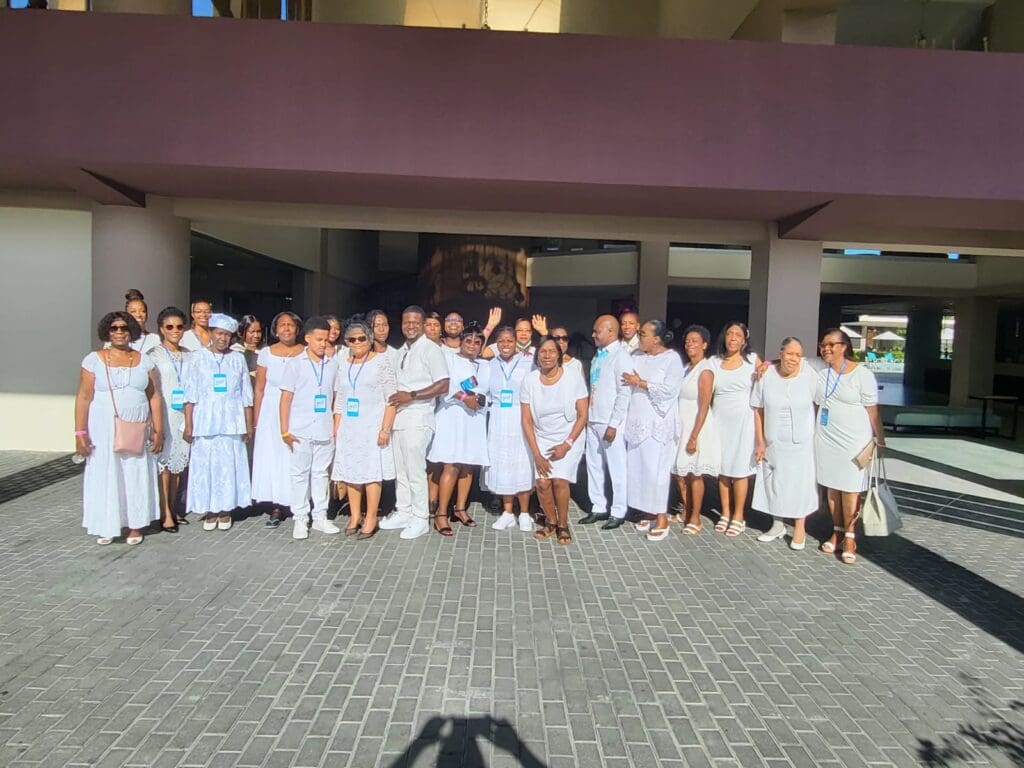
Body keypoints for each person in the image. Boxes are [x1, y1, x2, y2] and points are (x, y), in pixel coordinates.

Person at [75, 312, 163, 545]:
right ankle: (107, 524)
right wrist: (80, 434)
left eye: (124, 328)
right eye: (114, 328)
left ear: (132, 331)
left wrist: (158, 429)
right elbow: (83, 398)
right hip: (103, 427)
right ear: (107, 332)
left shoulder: (145, 361)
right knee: (106, 473)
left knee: (134, 473)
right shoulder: (93, 360)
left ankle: (135, 524)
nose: (119, 332)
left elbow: (154, 397)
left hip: (136, 427)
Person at [815, 328, 885, 565]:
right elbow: (793, 358)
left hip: (853, 442)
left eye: (831, 344)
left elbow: (873, 410)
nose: (826, 348)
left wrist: (880, 439)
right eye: (823, 344)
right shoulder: (821, 373)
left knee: (850, 489)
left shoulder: (861, 374)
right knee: (832, 489)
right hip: (827, 440)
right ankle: (836, 531)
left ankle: (851, 537)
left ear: (844, 346)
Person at [381, 306, 451, 539]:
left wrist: (411, 396)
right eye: (406, 322)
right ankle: (404, 511)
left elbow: (443, 384)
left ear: (422, 324)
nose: (410, 326)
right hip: (400, 417)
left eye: (415, 322)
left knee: (414, 469)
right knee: (401, 469)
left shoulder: (430, 349)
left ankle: (420, 518)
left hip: (418, 417)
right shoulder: (402, 350)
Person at [182, 313, 254, 531]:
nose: (223, 338)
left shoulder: (237, 359)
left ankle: (225, 509)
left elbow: (246, 395)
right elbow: (190, 394)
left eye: (228, 335)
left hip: (232, 421)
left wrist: (249, 425)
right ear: (211, 333)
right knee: (207, 466)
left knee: (228, 466)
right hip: (205, 421)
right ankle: (210, 509)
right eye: (220, 334)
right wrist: (188, 425)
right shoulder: (196, 358)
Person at [331, 317, 398, 539]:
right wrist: (336, 430)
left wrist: (385, 429)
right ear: (347, 342)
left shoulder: (380, 362)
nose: (357, 342)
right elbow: (340, 400)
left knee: (371, 474)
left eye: (361, 338)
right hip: (349, 427)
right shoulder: (343, 364)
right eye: (352, 339)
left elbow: (391, 399)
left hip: (372, 425)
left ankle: (370, 518)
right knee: (350, 473)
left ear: (369, 339)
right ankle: (354, 515)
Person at [752, 337, 819, 550]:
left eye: (798, 355)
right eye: (789, 353)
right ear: (780, 353)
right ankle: (777, 523)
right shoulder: (766, 375)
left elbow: (821, 403)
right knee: (775, 481)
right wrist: (760, 441)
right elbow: (757, 409)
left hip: (802, 441)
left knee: (801, 483)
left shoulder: (809, 374)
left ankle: (800, 525)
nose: (793, 358)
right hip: (774, 439)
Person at [520, 336, 588, 545]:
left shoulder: (573, 376)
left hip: (569, 436)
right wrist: (537, 455)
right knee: (542, 483)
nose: (547, 355)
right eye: (543, 351)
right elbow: (526, 420)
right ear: (537, 356)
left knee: (559, 481)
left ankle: (563, 524)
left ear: (559, 354)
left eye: (551, 351)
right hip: (542, 437)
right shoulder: (529, 380)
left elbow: (583, 414)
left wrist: (567, 444)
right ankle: (550, 521)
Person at [622, 320, 685, 541]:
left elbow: (670, 391)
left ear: (657, 338)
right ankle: (646, 510)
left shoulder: (672, 359)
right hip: (637, 421)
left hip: (658, 424)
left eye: (643, 334)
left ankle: (661, 517)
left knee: (656, 472)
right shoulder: (636, 356)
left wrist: (641, 383)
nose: (639, 337)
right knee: (639, 470)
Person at [427, 323, 491, 535]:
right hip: (452, 417)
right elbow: (446, 385)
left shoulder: (484, 365)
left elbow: (488, 390)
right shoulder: (449, 359)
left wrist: (481, 399)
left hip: (474, 420)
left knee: (468, 465)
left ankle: (460, 508)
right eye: (468, 341)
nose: (472, 345)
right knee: (451, 465)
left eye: (477, 342)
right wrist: (465, 398)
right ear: (461, 343)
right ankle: (441, 514)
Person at [280, 316, 340, 539]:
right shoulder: (295, 364)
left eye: (326, 340)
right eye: (318, 339)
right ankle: (300, 518)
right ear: (307, 339)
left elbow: (335, 397)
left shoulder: (333, 365)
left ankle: (321, 516)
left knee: (320, 474)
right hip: (300, 429)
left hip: (324, 428)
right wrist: (284, 430)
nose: (323, 344)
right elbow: (286, 398)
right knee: (299, 474)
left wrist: (335, 426)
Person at [251, 311, 305, 526]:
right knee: (274, 457)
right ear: (275, 329)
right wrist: (256, 420)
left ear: (297, 329)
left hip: (297, 409)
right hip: (271, 411)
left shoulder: (305, 352)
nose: (286, 329)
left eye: (290, 325)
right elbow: (259, 389)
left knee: (295, 455)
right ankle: (276, 505)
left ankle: (298, 502)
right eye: (282, 325)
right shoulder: (266, 353)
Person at [580, 314, 631, 529]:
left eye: (597, 330)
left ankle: (618, 510)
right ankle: (598, 506)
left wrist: (614, 423)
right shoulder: (598, 356)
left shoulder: (621, 356)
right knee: (593, 465)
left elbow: (624, 392)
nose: (593, 334)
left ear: (611, 331)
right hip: (593, 418)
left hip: (610, 421)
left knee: (617, 467)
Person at [484, 327, 535, 532]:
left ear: (516, 343)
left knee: (521, 463)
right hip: (497, 418)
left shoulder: (528, 361)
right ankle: (507, 512)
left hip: (519, 417)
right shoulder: (490, 364)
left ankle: (523, 513)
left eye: (509, 341)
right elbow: (480, 386)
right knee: (502, 464)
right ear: (496, 344)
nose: (505, 345)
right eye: (501, 341)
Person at [671, 325, 720, 534]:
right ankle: (686, 508)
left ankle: (695, 517)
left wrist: (694, 436)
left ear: (705, 345)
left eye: (695, 341)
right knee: (680, 472)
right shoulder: (685, 368)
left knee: (695, 473)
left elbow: (704, 405)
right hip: (681, 423)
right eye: (687, 341)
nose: (690, 344)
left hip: (696, 425)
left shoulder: (705, 369)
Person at [712, 322, 758, 538]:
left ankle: (738, 515)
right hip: (719, 419)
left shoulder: (752, 361)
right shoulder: (715, 362)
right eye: (729, 333)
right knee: (723, 470)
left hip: (743, 422)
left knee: (739, 471)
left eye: (737, 335)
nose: (732, 338)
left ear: (744, 340)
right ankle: (725, 512)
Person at [149, 306, 192, 532]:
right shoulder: (153, 356)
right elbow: (152, 389)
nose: (175, 330)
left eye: (179, 326)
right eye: (170, 327)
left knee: (178, 465)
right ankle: (165, 512)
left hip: (183, 414)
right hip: (164, 413)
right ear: (161, 329)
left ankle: (174, 507)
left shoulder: (189, 354)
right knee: (164, 465)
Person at [123, 289, 161, 354]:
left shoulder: (156, 340)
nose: (138, 315)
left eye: (142, 311)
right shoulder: (118, 337)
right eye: (133, 311)